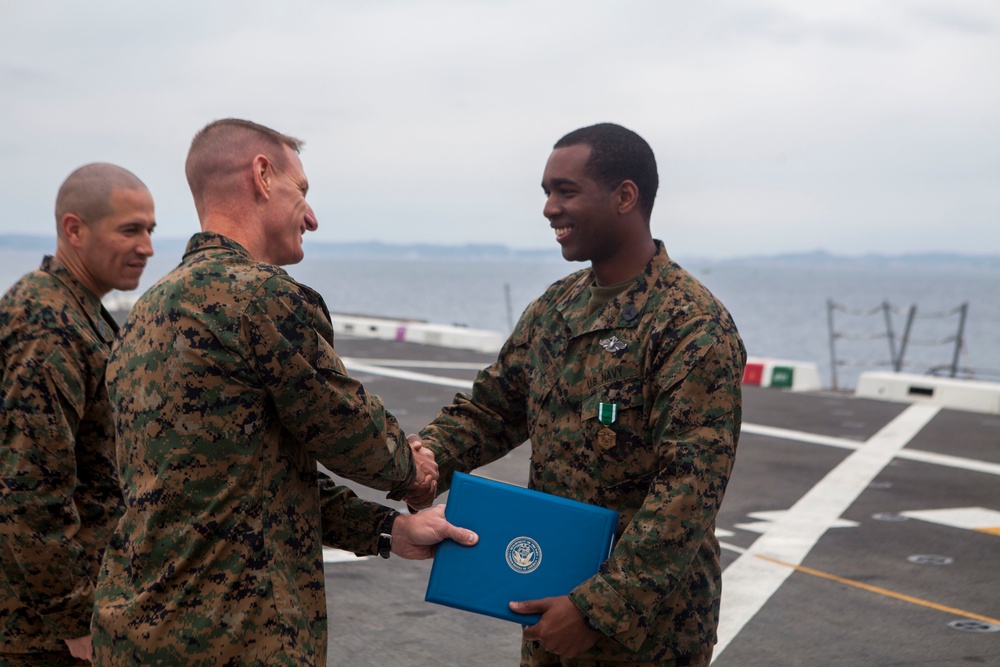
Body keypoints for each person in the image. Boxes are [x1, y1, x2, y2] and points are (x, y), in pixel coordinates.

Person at [90, 118, 477, 667]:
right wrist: (415, 475)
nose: (313, 218)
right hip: (234, 638)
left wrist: (389, 531)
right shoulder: (262, 298)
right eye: (304, 191)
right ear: (263, 176)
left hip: (135, 630)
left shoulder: (145, 313)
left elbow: (249, 478)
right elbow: (353, 434)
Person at [410, 123, 746, 666]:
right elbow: (493, 409)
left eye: (565, 191)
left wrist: (597, 609)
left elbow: (690, 488)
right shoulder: (557, 307)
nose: (549, 208)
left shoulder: (691, 324)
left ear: (625, 196)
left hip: (648, 631)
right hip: (547, 597)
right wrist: (419, 461)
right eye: (546, 192)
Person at [0, 164, 156, 665]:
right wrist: (74, 621)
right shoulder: (50, 325)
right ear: (74, 229)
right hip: (38, 634)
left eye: (150, 230)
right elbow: (28, 489)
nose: (148, 247)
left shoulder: (75, 309)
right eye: (130, 229)